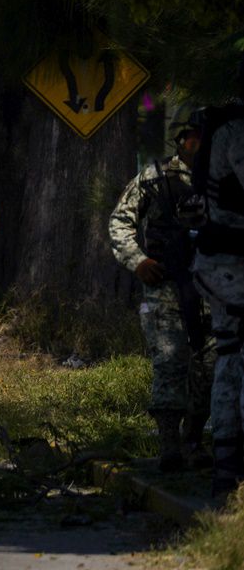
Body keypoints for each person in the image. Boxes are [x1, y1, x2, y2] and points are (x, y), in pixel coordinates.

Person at [109, 113, 215, 472]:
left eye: (201, 137)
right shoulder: (154, 178)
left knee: (210, 365)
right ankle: (170, 443)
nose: (196, 144)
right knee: (170, 363)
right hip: (166, 287)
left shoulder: (222, 177)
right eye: (191, 137)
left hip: (212, 288)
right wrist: (137, 260)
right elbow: (120, 222)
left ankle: (194, 439)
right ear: (180, 140)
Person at [189, 98, 244, 496]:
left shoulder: (226, 126)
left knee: (229, 355)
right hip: (233, 265)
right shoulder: (237, 131)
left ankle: (227, 463)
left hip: (223, 264)